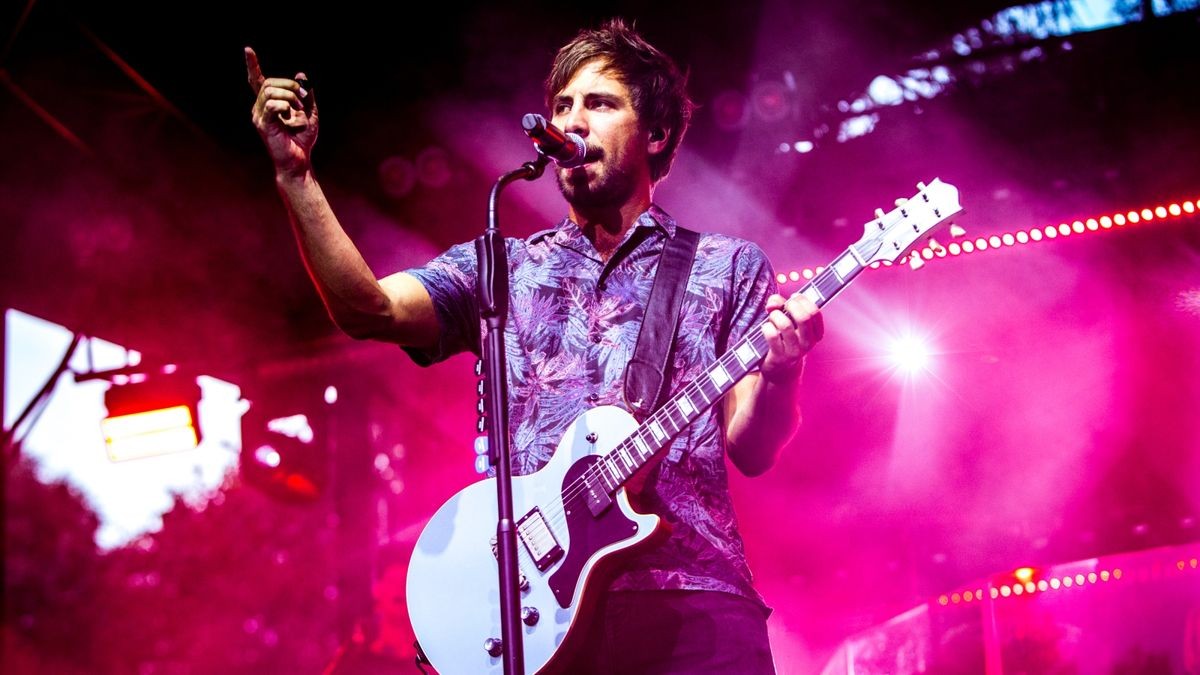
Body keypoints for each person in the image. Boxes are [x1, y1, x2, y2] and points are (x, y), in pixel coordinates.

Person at [247, 18, 822, 674]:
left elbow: (753, 446)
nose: (574, 120)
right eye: (562, 106)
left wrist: (782, 372)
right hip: (538, 620)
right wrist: (296, 176)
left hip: (691, 602)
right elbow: (366, 308)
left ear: (655, 134)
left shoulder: (728, 265)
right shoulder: (501, 267)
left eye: (600, 104)